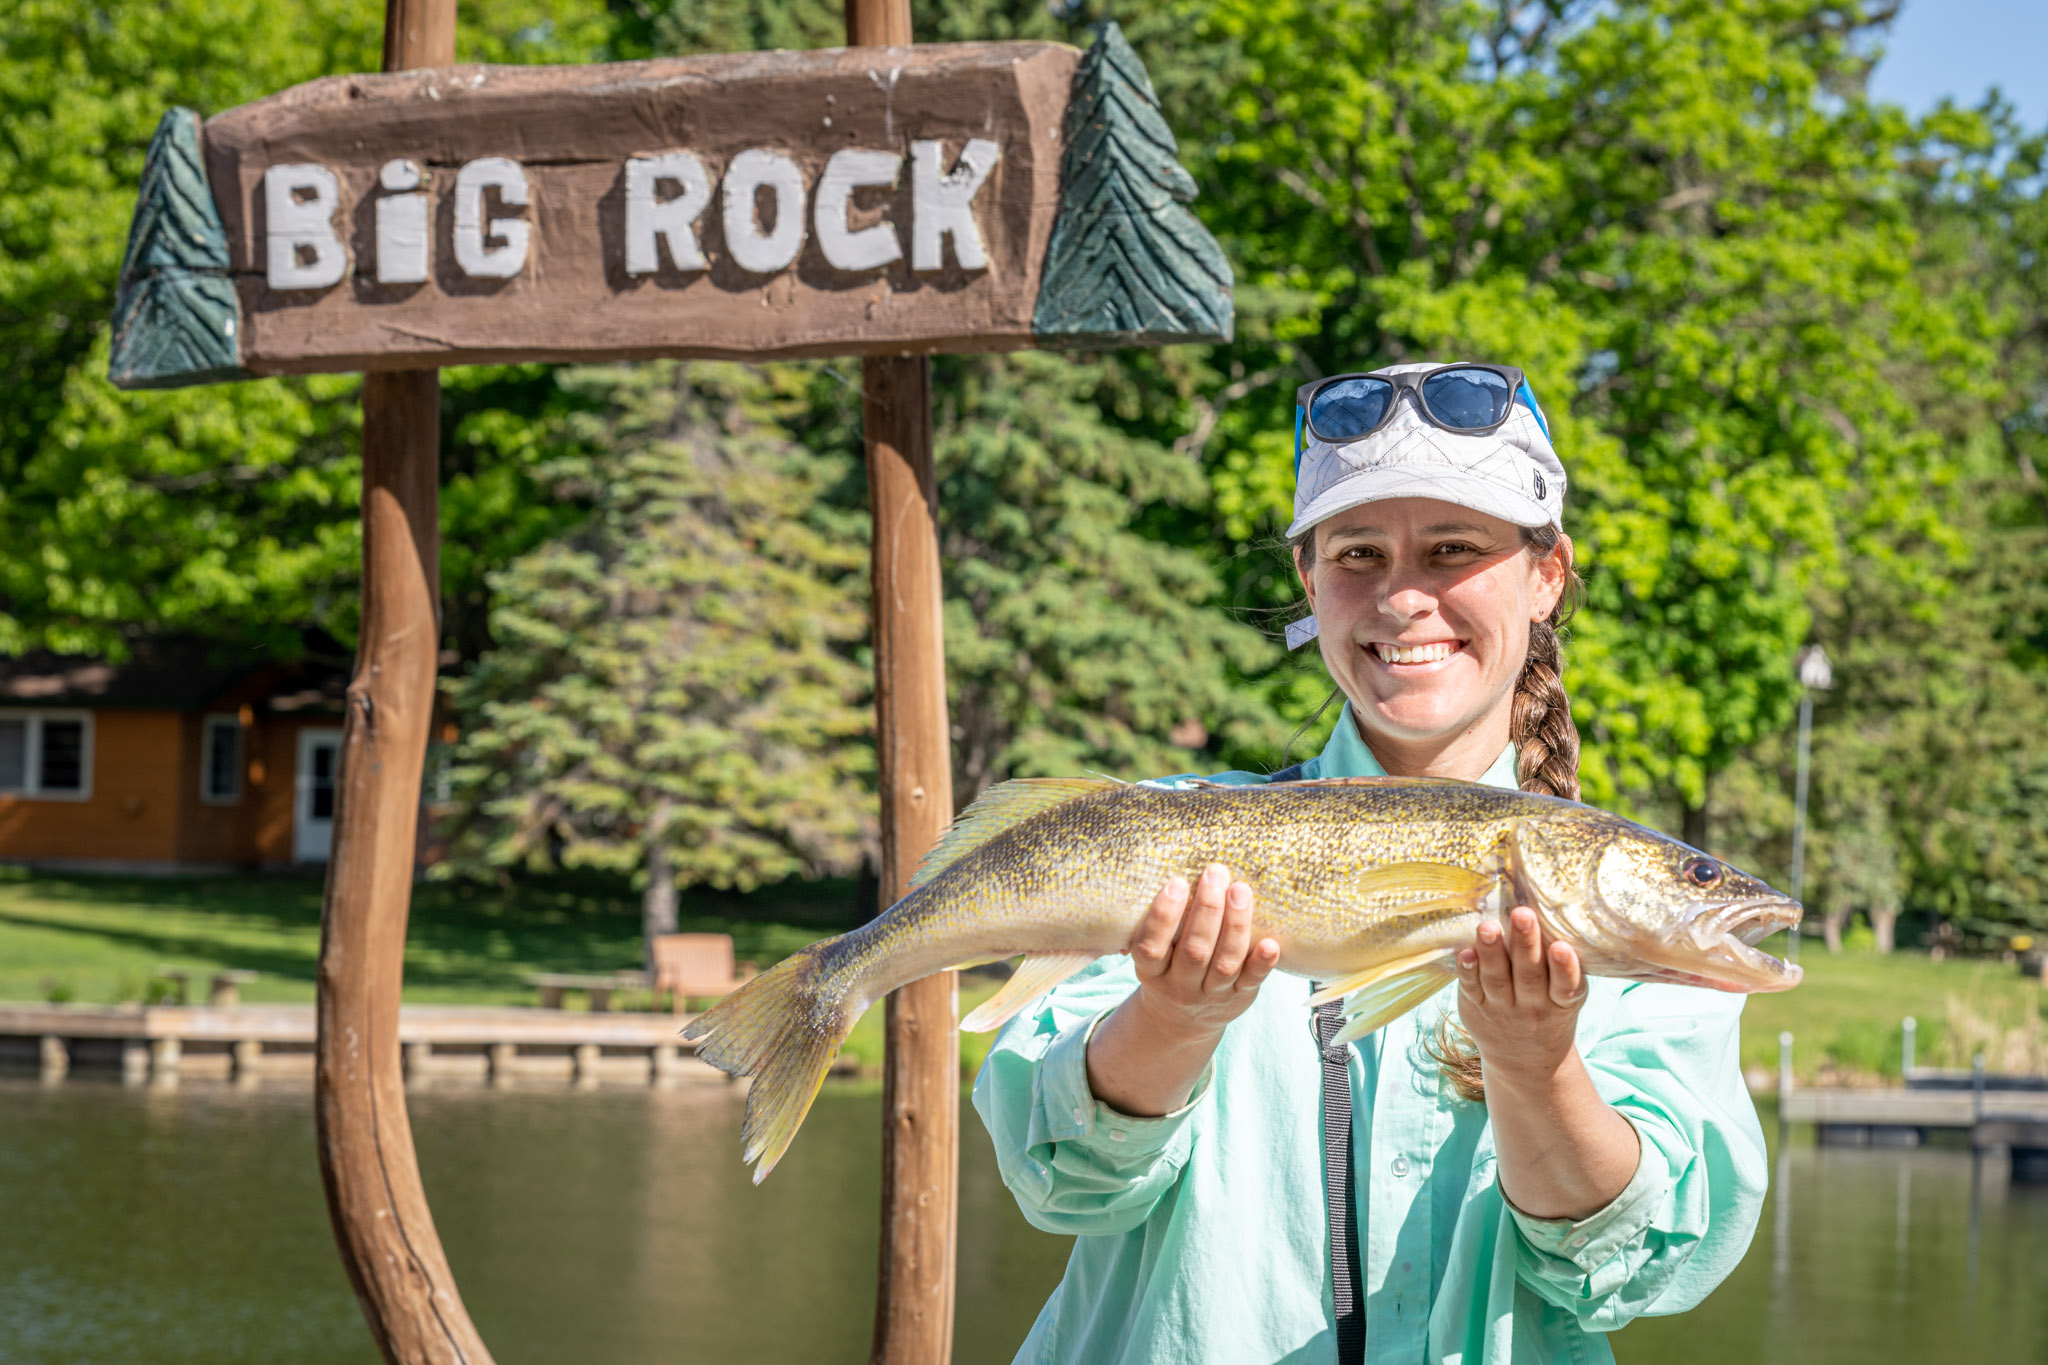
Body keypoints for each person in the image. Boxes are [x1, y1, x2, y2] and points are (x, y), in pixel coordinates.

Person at [972, 362, 1768, 1364]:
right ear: (1308, 581)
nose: (1401, 598)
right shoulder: (1168, 832)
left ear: (1546, 574)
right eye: (1357, 554)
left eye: (1451, 549)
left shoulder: (1640, 941)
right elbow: (1061, 1179)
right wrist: (1169, 1020)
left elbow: (1628, 1269)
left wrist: (1537, 1068)